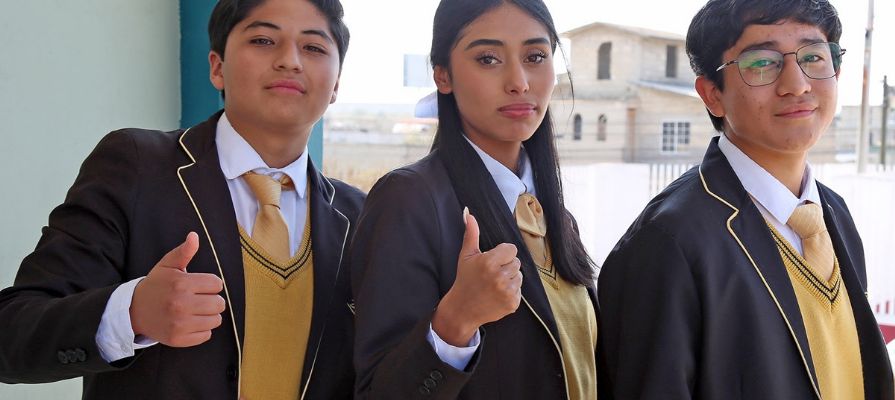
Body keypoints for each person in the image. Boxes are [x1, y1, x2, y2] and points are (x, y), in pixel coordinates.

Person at [0, 0, 363, 398]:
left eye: (313, 47)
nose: (289, 60)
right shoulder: (136, 166)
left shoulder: (362, 216)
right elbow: (11, 333)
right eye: (263, 40)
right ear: (217, 67)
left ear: (336, 84)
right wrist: (131, 313)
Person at [597, 0, 895, 398]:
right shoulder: (668, 242)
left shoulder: (833, 212)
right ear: (712, 94)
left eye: (813, 57)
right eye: (762, 63)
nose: (797, 84)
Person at [350, 1, 607, 398]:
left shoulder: (553, 216)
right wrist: (455, 322)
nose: (519, 81)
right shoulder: (409, 202)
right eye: (488, 59)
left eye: (535, 57)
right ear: (443, 75)